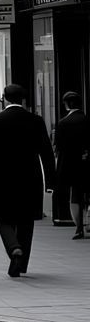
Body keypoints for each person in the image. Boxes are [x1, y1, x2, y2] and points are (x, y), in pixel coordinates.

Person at [0, 84, 55, 277]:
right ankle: (22, 264)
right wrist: (51, 182)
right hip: (29, 178)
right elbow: (46, 153)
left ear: (3, 98)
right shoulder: (36, 121)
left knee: (2, 217)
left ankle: (14, 248)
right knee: (26, 220)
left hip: (2, 178)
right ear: (23, 99)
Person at [52, 92, 88, 238]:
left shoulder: (63, 123)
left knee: (75, 196)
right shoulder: (87, 120)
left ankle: (79, 227)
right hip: (87, 162)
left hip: (71, 165)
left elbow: (58, 146)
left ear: (66, 104)